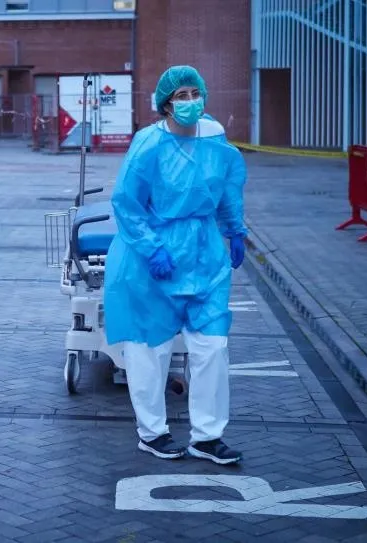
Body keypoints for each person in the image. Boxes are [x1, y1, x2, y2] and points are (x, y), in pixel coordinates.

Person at [103, 65, 248, 465]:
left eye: (194, 93)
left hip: (204, 253)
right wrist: (152, 249)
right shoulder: (149, 143)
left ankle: (208, 437)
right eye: (181, 96)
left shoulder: (214, 135)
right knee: (150, 349)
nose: (190, 102)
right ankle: (152, 433)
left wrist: (234, 229)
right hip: (154, 256)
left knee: (212, 346)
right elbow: (127, 204)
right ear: (165, 104)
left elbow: (227, 187)